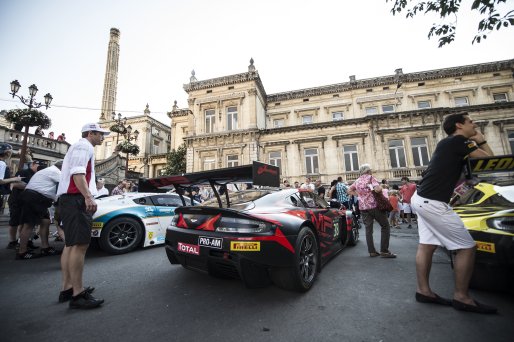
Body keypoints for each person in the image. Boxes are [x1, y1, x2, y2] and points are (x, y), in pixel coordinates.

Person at [411, 112, 496, 314]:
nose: (474, 124)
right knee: (467, 247)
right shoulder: (459, 141)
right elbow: (490, 161)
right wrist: (480, 140)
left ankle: (424, 291)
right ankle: (462, 297)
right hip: (432, 201)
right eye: (470, 122)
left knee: (427, 245)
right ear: (459, 125)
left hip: (422, 198)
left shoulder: (447, 143)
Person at [56, 123, 108, 309]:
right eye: (100, 134)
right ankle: (78, 294)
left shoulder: (81, 147)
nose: (103, 137)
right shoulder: (83, 146)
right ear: (90, 133)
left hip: (70, 199)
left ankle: (67, 288)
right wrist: (88, 196)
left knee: (71, 245)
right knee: (80, 245)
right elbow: (78, 172)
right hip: (76, 199)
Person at [16, 160, 64, 259]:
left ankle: (45, 247)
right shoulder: (56, 172)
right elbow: (64, 187)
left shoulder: (47, 170)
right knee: (28, 225)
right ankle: (22, 252)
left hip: (37, 198)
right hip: (35, 198)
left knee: (45, 222)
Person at [348, 164, 396, 258]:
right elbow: (377, 190)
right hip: (374, 206)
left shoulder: (357, 181)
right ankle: (384, 251)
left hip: (363, 207)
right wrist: (381, 188)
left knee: (368, 229)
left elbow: (349, 190)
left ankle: (372, 251)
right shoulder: (370, 178)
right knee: (385, 226)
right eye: (370, 170)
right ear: (368, 171)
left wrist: (359, 195)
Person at [6, 161, 40, 251]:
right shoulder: (24, 172)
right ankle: (12, 241)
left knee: (24, 222)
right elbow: (14, 184)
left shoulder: (37, 174)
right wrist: (31, 186)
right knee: (14, 221)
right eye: (38, 165)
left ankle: (23, 242)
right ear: (32, 165)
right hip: (17, 200)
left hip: (28, 201)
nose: (39, 167)